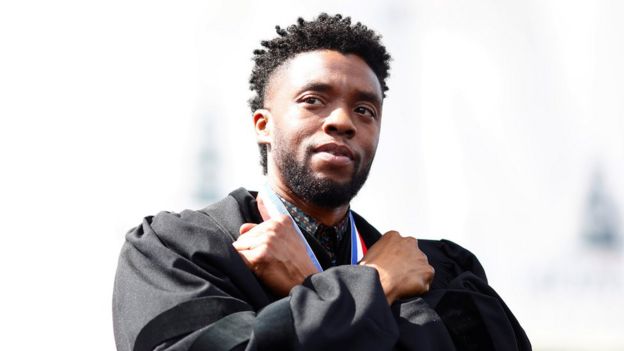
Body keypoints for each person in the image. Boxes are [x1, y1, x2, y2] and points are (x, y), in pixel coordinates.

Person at [113, 13, 531, 351]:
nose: (343, 121)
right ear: (264, 123)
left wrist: (307, 286)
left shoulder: (437, 272)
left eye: (365, 110)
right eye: (313, 100)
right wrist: (374, 285)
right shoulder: (178, 250)